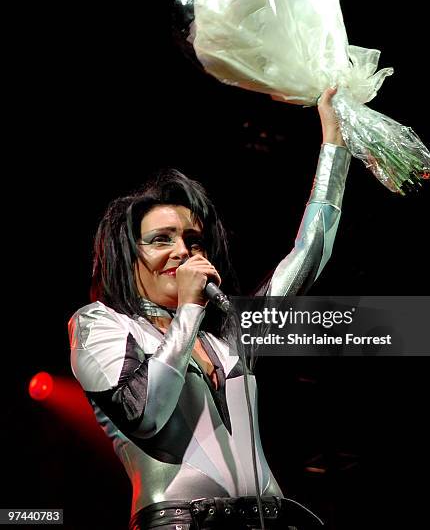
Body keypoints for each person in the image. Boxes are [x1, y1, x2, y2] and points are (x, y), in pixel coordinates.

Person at [68, 87, 350, 529]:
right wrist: (188, 310)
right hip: (181, 521)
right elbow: (146, 414)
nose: (182, 251)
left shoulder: (227, 334)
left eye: (192, 241)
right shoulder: (100, 324)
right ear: (128, 254)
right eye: (162, 239)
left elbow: (309, 252)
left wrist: (335, 140)